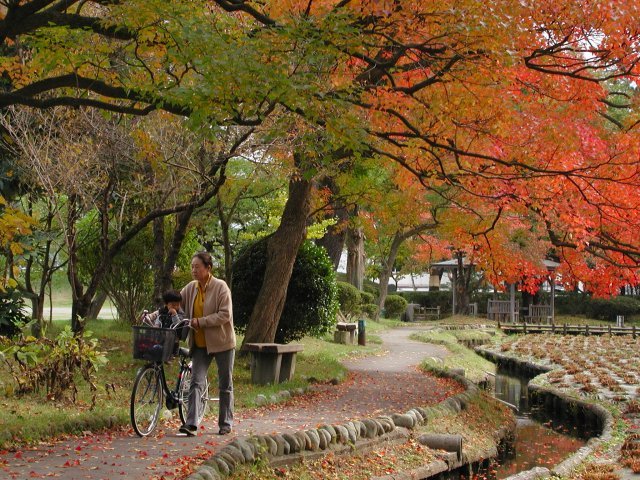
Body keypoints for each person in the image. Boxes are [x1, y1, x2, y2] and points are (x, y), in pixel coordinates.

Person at [178, 251, 235, 436]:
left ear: (208, 268)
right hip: (200, 344)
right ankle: (192, 423)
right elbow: (174, 305)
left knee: (225, 384)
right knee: (196, 381)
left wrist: (200, 321)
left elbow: (225, 314)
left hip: (222, 343)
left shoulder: (220, 287)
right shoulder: (190, 288)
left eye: (197, 267)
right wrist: (154, 315)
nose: (193, 270)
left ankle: (225, 423)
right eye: (192, 267)